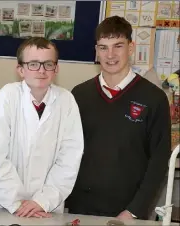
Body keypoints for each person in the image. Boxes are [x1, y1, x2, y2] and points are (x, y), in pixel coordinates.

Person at [65, 16, 172, 220]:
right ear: (96, 50)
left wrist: (134, 211)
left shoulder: (154, 98)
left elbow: (158, 161)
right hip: (81, 208)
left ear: (131, 48)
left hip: (128, 212)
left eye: (118, 46)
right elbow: (67, 151)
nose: (110, 55)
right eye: (103, 47)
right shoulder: (79, 94)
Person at [0, 37, 84, 218]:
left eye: (48, 64)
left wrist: (42, 201)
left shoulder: (66, 100)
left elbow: (69, 158)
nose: (41, 70)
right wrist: (17, 202)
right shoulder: (8, 96)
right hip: (6, 204)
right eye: (33, 64)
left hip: (47, 207)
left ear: (56, 68)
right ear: (20, 70)